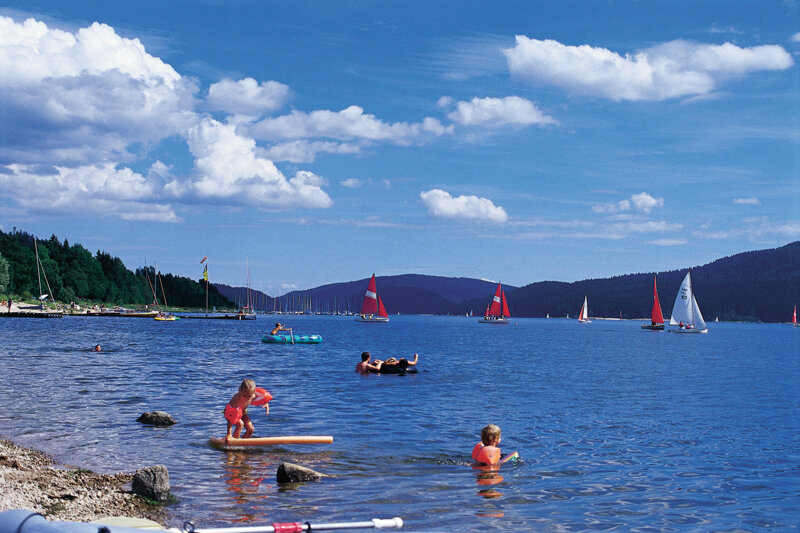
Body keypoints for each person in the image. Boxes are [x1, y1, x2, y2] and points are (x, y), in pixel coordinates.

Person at [224, 378, 267, 443]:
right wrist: (228, 433)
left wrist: (265, 403)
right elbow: (230, 417)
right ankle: (235, 442)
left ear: (253, 392)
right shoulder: (236, 400)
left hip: (242, 413)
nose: (247, 398)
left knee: (251, 429)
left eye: (249, 396)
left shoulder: (252, 396)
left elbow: (261, 398)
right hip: (230, 413)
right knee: (240, 424)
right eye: (244, 396)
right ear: (239, 391)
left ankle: (243, 443)